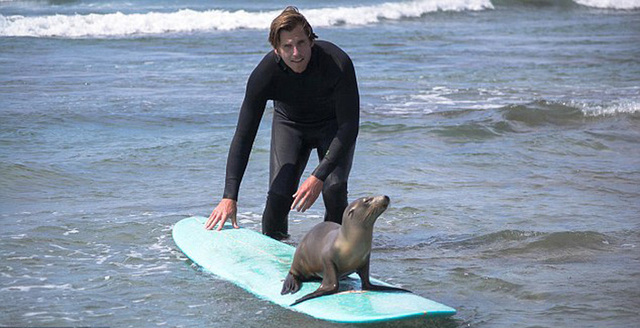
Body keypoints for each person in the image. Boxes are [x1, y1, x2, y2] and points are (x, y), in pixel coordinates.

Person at [205, 6, 360, 240]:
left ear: (311, 40)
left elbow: (350, 126)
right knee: (279, 193)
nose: (296, 53)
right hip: (291, 125)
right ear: (276, 49)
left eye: (301, 43)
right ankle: (274, 247)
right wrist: (229, 196)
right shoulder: (265, 75)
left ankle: (334, 252)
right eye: (287, 46)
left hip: (333, 127)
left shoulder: (337, 63)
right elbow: (244, 136)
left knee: (334, 187)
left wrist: (318, 176)